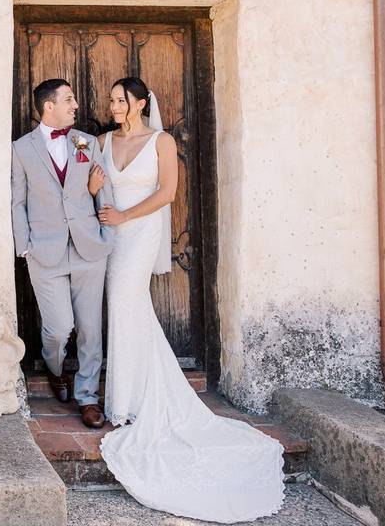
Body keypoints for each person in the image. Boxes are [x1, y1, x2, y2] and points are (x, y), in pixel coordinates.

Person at [87, 77, 285, 523]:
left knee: (124, 302)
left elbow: (167, 194)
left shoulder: (161, 140)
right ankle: (132, 394)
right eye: (112, 100)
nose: (114, 105)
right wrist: (96, 194)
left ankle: (130, 400)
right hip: (109, 233)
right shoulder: (101, 141)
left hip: (139, 231)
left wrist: (124, 215)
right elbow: (96, 188)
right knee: (124, 309)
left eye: (121, 99)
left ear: (140, 103)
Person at [11, 78, 115, 428]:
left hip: (88, 248)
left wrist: (106, 233)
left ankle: (88, 397)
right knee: (59, 329)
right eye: (69, 100)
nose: (75, 106)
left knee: (90, 329)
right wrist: (25, 247)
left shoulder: (84, 141)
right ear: (48, 106)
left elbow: (104, 190)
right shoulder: (21, 149)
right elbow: (18, 201)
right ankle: (55, 370)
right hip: (44, 251)